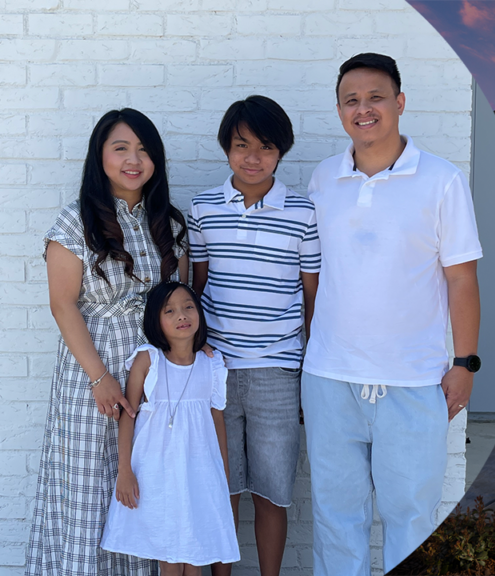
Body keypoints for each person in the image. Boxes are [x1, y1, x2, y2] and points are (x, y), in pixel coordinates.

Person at [302, 52, 483, 575]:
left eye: (375, 97)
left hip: (412, 381)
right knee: (337, 520)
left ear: (400, 103)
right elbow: (312, 277)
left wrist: (465, 362)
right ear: (339, 111)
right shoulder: (322, 182)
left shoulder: (442, 181)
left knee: (412, 522)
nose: (364, 109)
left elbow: (461, 278)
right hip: (330, 378)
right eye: (351, 100)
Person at [26, 109, 190, 576]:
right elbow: (63, 305)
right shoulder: (76, 221)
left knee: (142, 482)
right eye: (121, 148)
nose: (133, 159)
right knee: (89, 485)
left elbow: (179, 302)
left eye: (144, 150)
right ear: (100, 157)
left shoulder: (169, 223)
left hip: (154, 377)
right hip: (91, 375)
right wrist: (100, 378)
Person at [187, 95, 320, 576]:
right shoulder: (202, 209)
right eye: (241, 145)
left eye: (265, 147)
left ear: (280, 152)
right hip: (216, 371)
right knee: (222, 488)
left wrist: (308, 369)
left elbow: (312, 300)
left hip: (277, 372)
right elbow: (196, 287)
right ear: (226, 148)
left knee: (272, 491)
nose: (252, 157)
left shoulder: (303, 213)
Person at [99, 282, 239, 574]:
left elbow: (217, 421)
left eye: (189, 307)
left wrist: (222, 477)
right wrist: (124, 470)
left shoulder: (211, 365)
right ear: (156, 320)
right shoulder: (148, 360)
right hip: (158, 473)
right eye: (170, 310)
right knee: (169, 553)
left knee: (196, 551)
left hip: (199, 473)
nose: (181, 315)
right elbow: (128, 415)